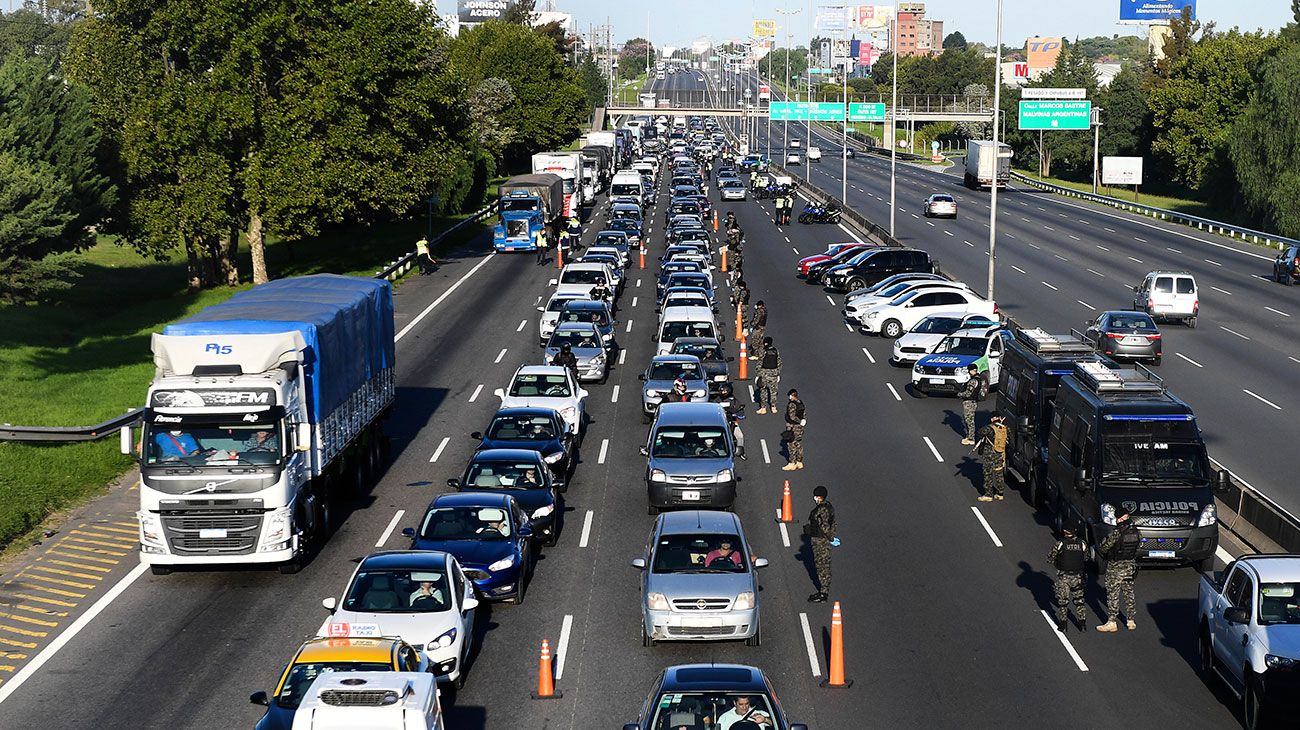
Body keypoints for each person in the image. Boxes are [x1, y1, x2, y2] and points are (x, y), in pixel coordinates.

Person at [1097, 506, 1141, 633]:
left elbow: (1104, 548)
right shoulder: (1136, 531)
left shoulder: (1116, 532)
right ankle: (1131, 620)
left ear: (1120, 517)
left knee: (1113, 594)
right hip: (1130, 566)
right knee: (1129, 593)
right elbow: (1139, 547)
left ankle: (1112, 622)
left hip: (1115, 567)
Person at [1049, 523, 1088, 632]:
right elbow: (1086, 557)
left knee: (1063, 602)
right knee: (1079, 601)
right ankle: (1082, 624)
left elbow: (1051, 557)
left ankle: (1063, 624)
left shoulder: (1061, 543)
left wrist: (1059, 563)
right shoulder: (1082, 543)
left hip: (1064, 576)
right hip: (1078, 576)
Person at [803, 485, 837, 603]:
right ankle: (824, 590)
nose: (815, 498)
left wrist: (830, 538)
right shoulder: (828, 507)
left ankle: (823, 593)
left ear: (819, 497)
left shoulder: (822, 510)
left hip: (821, 542)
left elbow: (825, 527)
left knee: (822, 566)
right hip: (822, 540)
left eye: (816, 496)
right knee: (823, 565)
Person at [974, 413, 1008, 501]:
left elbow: (979, 433)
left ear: (992, 419)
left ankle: (988, 495)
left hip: (989, 454)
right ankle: (1000, 493)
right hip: (1000, 453)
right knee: (999, 473)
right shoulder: (1005, 428)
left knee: (987, 473)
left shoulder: (989, 428)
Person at [754, 337, 781, 414]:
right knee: (773, 391)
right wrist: (777, 372)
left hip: (764, 374)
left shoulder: (763, 351)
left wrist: (758, 374)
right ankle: (773, 407)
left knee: (763, 390)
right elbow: (779, 363)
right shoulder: (775, 351)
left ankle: (763, 408)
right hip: (774, 374)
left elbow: (759, 363)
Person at [957, 364, 981, 446]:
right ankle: (969, 436)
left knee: (969, 420)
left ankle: (971, 438)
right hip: (972, 402)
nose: (968, 372)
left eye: (969, 370)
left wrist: (959, 394)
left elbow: (968, 393)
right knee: (969, 420)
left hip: (970, 402)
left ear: (973, 370)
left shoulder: (973, 381)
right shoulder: (977, 379)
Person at [782, 388, 806, 471]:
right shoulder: (800, 403)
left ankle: (792, 463)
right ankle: (799, 462)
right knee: (798, 444)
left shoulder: (792, 404)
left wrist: (798, 422)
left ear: (792, 396)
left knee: (791, 445)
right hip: (800, 427)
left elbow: (792, 417)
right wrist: (802, 422)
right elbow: (804, 414)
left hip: (794, 427)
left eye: (790, 396)